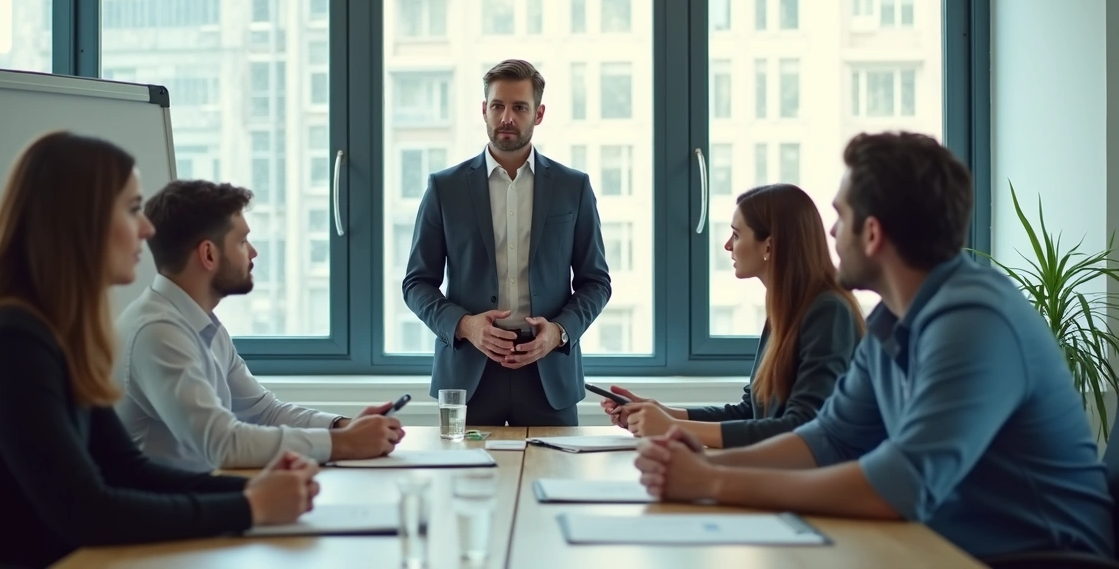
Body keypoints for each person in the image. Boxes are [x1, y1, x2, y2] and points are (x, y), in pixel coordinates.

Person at [634, 131, 1114, 560]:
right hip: (943, 547)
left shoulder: (975, 321)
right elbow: (831, 438)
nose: (832, 232)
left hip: (1043, 558)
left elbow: (901, 485)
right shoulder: (892, 319)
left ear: (872, 232)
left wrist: (714, 481)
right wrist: (701, 461)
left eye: (840, 215)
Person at [0, 132, 316, 568]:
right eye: (133, 209)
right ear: (82, 221)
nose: (148, 229)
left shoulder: (57, 335)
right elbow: (86, 511)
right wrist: (250, 508)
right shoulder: (8, 341)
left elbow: (126, 470)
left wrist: (252, 490)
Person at [115, 179, 404, 472]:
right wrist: (346, 444)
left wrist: (345, 427)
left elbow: (263, 412)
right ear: (209, 254)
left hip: (199, 500)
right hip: (166, 512)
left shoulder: (200, 324)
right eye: (242, 241)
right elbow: (223, 444)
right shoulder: (157, 331)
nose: (253, 252)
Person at [403, 59, 612, 427]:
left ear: (539, 113)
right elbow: (417, 283)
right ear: (484, 109)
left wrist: (559, 333)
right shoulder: (445, 188)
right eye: (498, 106)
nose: (506, 118)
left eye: (519, 107)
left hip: (549, 374)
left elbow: (596, 282)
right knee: (465, 483)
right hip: (468, 375)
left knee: (555, 480)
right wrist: (465, 325)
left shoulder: (573, 188)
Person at [603, 184, 864, 448]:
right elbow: (751, 412)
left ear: (769, 245)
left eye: (737, 235)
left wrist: (672, 427)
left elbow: (802, 426)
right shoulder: (785, 310)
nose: (728, 245)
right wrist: (661, 413)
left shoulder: (828, 312)